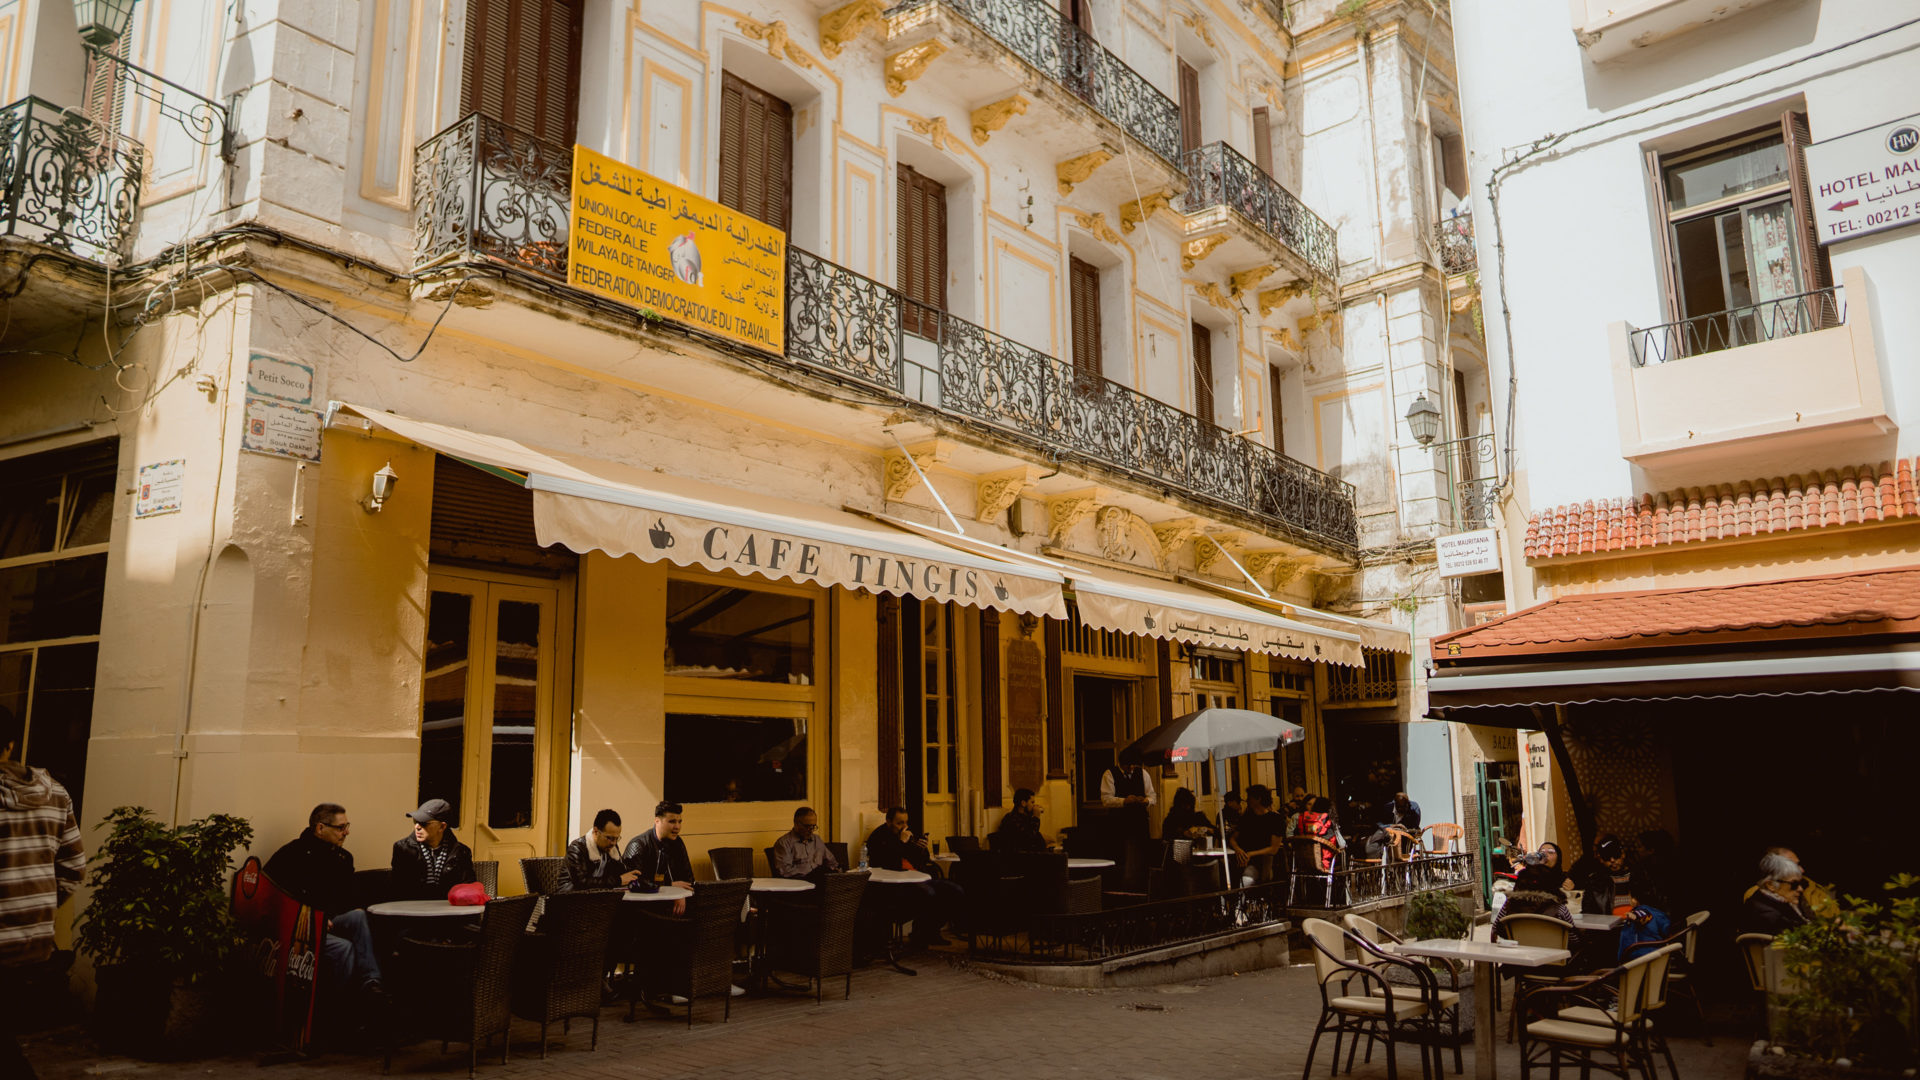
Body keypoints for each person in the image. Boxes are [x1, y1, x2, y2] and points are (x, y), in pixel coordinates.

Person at [0, 717, 84, 1080]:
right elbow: (74, 867)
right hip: (32, 945)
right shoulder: (56, 792)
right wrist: (36, 910)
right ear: (11, 745)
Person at [265, 802, 385, 1007]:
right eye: (341, 828)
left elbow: (347, 896)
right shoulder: (293, 854)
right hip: (302, 928)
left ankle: (371, 982)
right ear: (320, 828)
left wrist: (349, 908)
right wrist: (316, 917)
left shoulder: (343, 858)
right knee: (343, 948)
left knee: (359, 916)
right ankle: (337, 1005)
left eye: (348, 826)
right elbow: (277, 894)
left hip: (329, 920)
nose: (346, 833)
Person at [864, 807, 964, 947]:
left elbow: (923, 859)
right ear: (888, 822)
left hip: (919, 876)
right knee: (929, 893)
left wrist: (921, 848)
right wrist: (901, 843)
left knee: (955, 890)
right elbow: (885, 863)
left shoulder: (909, 834)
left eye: (906, 822)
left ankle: (929, 931)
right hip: (898, 883)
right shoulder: (878, 837)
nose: (904, 827)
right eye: (899, 823)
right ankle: (920, 932)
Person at [390, 798, 477, 901]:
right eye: (415, 821)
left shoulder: (461, 852)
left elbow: (467, 887)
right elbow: (398, 889)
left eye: (424, 823)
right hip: (413, 909)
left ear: (442, 827)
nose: (417, 827)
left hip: (448, 910)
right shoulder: (403, 849)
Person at [624, 801, 696, 915]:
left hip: (673, 903)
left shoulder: (677, 842)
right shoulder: (638, 845)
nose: (677, 827)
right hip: (645, 907)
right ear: (657, 821)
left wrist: (681, 894)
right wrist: (671, 887)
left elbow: (688, 879)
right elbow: (635, 883)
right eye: (672, 821)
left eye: (679, 822)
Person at [1493, 863, 1584, 952]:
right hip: (1553, 962)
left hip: (1519, 961)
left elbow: (1496, 929)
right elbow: (1574, 940)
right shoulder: (1559, 910)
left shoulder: (1509, 906)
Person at [565, 809, 642, 891]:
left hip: (598, 898)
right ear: (596, 831)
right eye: (610, 838)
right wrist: (618, 880)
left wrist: (632, 875)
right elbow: (582, 882)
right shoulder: (577, 849)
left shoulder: (611, 848)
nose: (614, 843)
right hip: (570, 898)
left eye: (617, 838)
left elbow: (620, 872)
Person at [1230, 786, 1287, 886]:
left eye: (1249, 797)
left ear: (1258, 799)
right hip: (1241, 857)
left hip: (1260, 861)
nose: (1247, 800)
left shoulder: (1276, 820)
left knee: (1247, 877)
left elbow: (1274, 849)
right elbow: (1233, 838)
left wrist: (1250, 854)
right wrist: (1237, 849)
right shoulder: (1246, 817)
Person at [1742, 852, 1811, 934]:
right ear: (1771, 885)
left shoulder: (1783, 902)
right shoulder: (1769, 916)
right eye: (1794, 884)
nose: (1800, 889)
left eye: (1801, 883)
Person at [771, 806, 839, 883]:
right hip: (799, 884)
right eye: (807, 826)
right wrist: (811, 873)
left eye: (813, 826)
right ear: (796, 824)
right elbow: (785, 871)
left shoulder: (817, 840)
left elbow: (832, 862)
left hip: (820, 881)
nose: (810, 830)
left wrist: (834, 870)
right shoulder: (784, 843)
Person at [1569, 833, 1633, 915]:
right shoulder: (1595, 881)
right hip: (1610, 925)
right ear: (1601, 860)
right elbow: (1587, 912)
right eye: (1607, 857)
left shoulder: (1638, 876)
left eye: (1616, 855)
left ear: (1623, 854)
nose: (1612, 860)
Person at [1100, 762, 1157, 843]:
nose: (1131, 767)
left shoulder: (1143, 773)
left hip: (1140, 822)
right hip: (1118, 822)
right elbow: (1106, 800)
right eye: (1128, 765)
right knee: (1119, 850)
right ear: (1121, 763)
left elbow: (1153, 796)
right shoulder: (1109, 773)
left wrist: (1146, 801)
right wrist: (1124, 801)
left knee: (1142, 850)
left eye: (1133, 764)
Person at [1365, 792, 1422, 861]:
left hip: (1404, 839)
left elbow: (1415, 826)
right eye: (1399, 807)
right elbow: (1378, 823)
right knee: (1377, 839)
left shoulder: (1414, 808)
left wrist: (1404, 830)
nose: (1401, 809)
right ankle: (1376, 860)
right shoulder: (1387, 808)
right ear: (1395, 804)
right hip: (1387, 837)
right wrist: (1391, 826)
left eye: (1404, 807)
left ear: (1408, 804)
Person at [992, 789, 1048, 854]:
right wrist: (1036, 818)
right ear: (1023, 803)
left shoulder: (1024, 817)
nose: (1034, 806)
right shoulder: (1012, 819)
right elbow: (1029, 838)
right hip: (1019, 858)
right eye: (1032, 802)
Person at [1293, 796, 1340, 872]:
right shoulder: (1328, 823)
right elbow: (1340, 844)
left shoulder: (1303, 819)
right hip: (1324, 865)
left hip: (1303, 864)